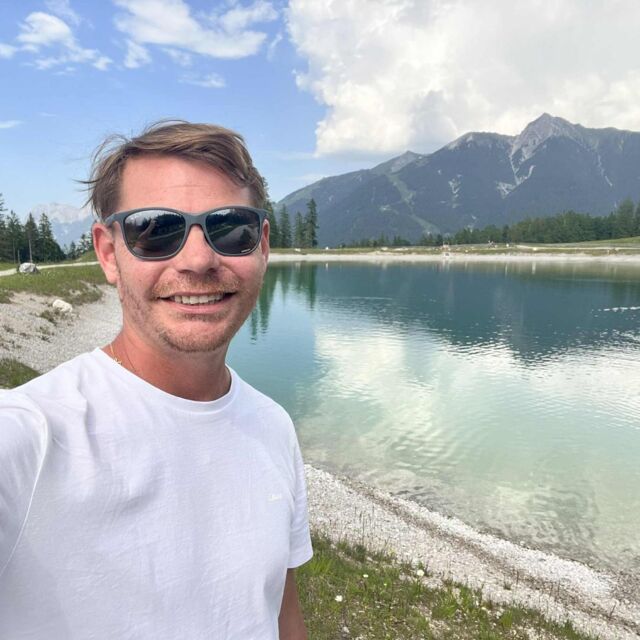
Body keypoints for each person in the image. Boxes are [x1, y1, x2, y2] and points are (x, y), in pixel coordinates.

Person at [0, 121, 313, 639]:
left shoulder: (273, 427)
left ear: (261, 246)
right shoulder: (26, 439)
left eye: (230, 228)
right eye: (156, 230)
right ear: (108, 254)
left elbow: (281, 614)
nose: (198, 260)